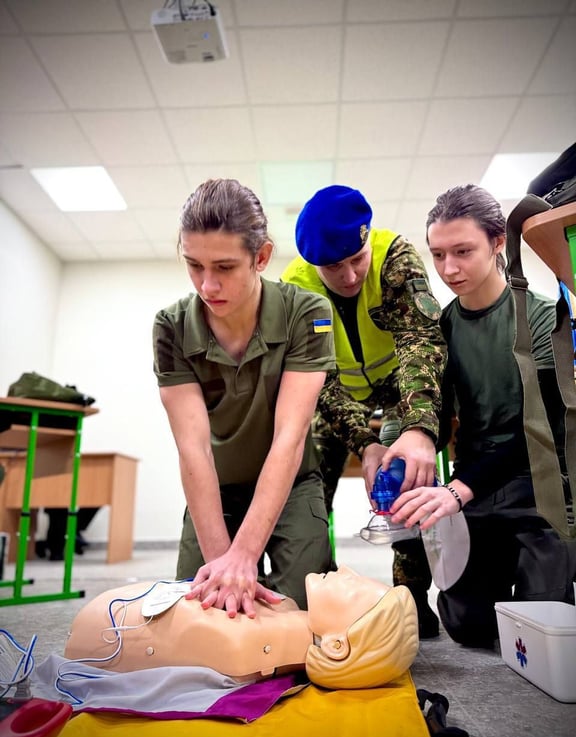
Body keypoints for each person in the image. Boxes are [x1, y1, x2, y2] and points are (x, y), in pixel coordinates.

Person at [390, 184, 576, 648]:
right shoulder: (440, 331)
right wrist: (397, 446)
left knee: (541, 631)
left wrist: (459, 488)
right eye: (438, 254)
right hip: (476, 493)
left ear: (497, 244)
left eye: (463, 251)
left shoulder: (540, 319)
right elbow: (425, 406)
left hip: (540, 491)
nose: (449, 269)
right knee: (468, 627)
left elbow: (546, 429)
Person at [152, 179, 336, 618]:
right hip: (215, 486)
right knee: (198, 613)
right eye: (193, 265)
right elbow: (191, 448)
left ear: (262, 257)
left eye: (225, 267)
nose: (207, 284)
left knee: (304, 610)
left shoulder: (309, 314)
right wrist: (223, 563)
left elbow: (289, 439)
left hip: (292, 484)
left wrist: (246, 554)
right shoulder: (170, 326)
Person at [281, 185, 446, 638]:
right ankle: (318, 589)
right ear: (315, 264)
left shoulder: (394, 255)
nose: (351, 276)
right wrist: (364, 445)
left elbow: (420, 343)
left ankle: (410, 597)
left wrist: (417, 429)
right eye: (334, 267)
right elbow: (317, 383)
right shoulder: (294, 288)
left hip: (399, 385)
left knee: (405, 474)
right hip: (336, 394)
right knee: (307, 477)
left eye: (356, 258)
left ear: (366, 236)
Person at [63, 565, 419, 689]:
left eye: (354, 587)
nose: (347, 572)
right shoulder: (287, 610)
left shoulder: (242, 646)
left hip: (101, 629)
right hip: (106, 618)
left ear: (337, 645)